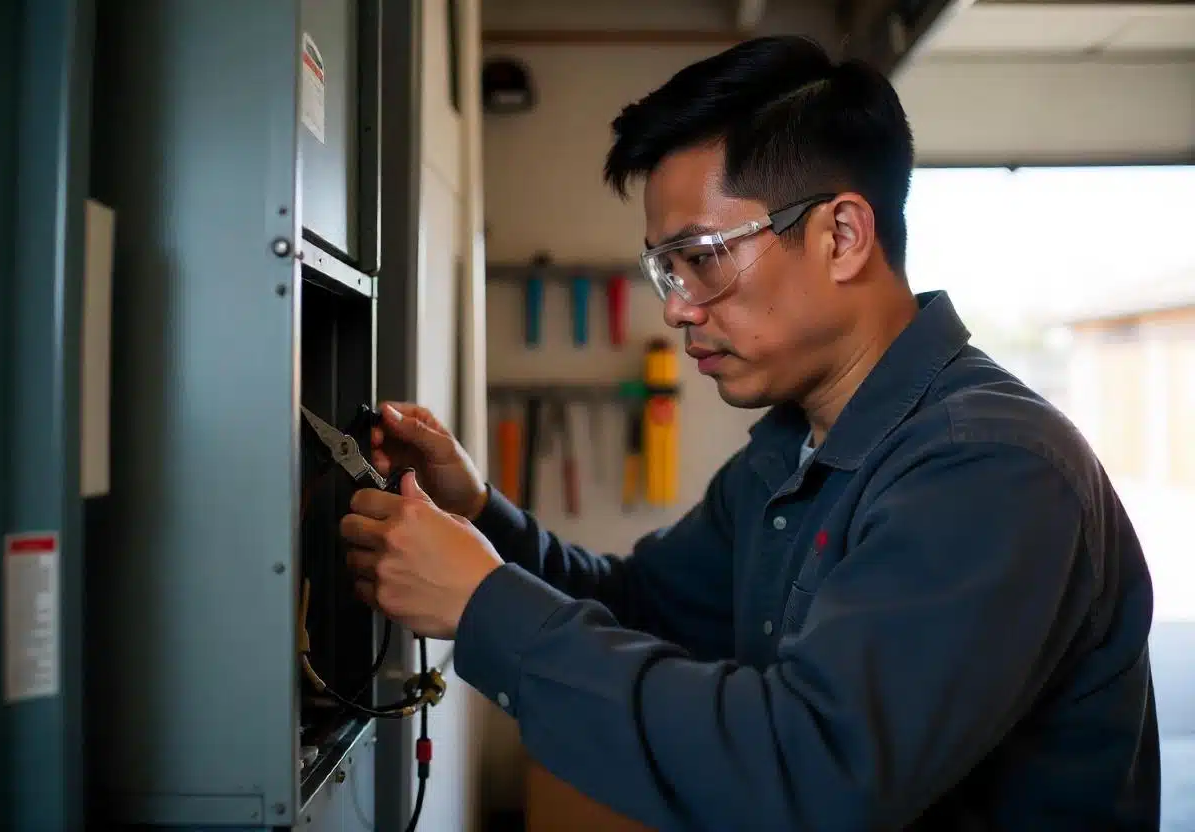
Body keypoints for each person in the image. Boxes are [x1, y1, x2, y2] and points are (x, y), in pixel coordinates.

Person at [338, 35, 1160, 830]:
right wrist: (474, 512)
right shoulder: (791, 451)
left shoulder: (988, 467)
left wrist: (483, 607)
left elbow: (814, 775)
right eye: (665, 267)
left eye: (701, 256)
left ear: (841, 237)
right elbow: (639, 607)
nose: (676, 306)